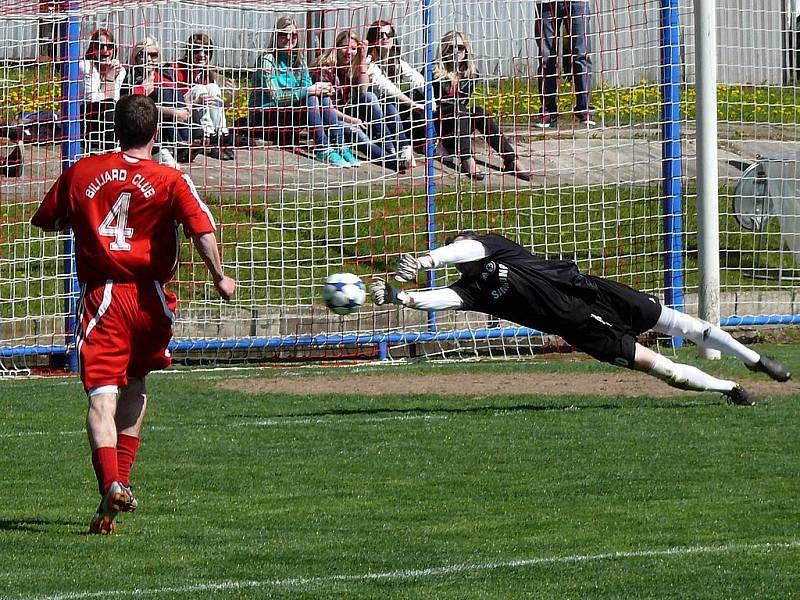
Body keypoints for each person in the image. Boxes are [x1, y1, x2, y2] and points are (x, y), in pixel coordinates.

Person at [30, 94, 236, 534]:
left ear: (114, 129)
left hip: (105, 298)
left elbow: (45, 219)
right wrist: (220, 277)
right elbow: (201, 229)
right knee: (137, 384)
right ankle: (120, 483)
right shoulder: (171, 178)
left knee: (101, 396)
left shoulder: (82, 171)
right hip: (153, 302)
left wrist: (82, 219)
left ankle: (110, 483)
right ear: (156, 133)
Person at [370, 232, 791, 405]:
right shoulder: (472, 291)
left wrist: (426, 259)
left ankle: (754, 360)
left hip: (590, 290)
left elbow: (466, 250)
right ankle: (731, 388)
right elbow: (438, 300)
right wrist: (399, 296)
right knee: (660, 368)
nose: (464, 246)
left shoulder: (490, 248)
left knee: (678, 323)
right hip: (580, 328)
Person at [248, 15, 353, 167]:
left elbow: (309, 87)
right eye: (284, 34)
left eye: (293, 35)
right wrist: (309, 90)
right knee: (310, 95)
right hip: (264, 117)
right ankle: (323, 148)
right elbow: (276, 97)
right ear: (276, 36)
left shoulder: (299, 60)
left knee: (319, 96)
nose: (289, 39)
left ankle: (339, 145)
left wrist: (324, 89)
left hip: (288, 116)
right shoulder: (267, 59)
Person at [431, 31, 530, 182]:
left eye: (460, 47)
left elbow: (462, 101)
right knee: (459, 109)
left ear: (466, 50)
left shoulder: (472, 74)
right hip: (437, 123)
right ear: (444, 50)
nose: (456, 51)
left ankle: (510, 159)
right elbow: (436, 103)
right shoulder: (434, 71)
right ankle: (467, 159)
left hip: (458, 121)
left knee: (479, 111)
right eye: (451, 48)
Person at [311, 30, 405, 169]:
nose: (349, 52)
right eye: (345, 47)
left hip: (349, 113)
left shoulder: (351, 67)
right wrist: (352, 120)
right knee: (360, 135)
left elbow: (363, 90)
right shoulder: (326, 69)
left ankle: (391, 147)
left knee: (370, 97)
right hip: (332, 119)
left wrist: (361, 61)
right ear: (336, 47)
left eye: (354, 49)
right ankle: (394, 162)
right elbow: (326, 107)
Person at [123, 37, 192, 167]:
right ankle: (180, 145)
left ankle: (185, 142)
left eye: (153, 55)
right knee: (165, 93)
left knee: (168, 91)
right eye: (143, 55)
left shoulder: (164, 75)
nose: (149, 59)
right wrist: (172, 112)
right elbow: (133, 108)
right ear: (135, 58)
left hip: (166, 124)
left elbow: (181, 98)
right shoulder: (129, 77)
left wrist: (186, 107)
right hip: (142, 123)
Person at [365, 19, 425, 164]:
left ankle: (432, 144)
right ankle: (404, 146)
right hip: (368, 112)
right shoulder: (368, 61)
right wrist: (412, 104)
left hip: (390, 113)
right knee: (389, 98)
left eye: (389, 33)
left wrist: (431, 101)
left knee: (418, 98)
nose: (385, 38)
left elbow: (417, 79)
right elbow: (386, 87)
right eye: (380, 35)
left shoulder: (396, 62)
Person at [170, 32, 235, 161]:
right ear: (189, 53)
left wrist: (230, 96)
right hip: (182, 118)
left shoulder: (206, 73)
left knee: (213, 87)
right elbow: (174, 103)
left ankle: (221, 135)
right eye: (196, 51)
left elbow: (219, 109)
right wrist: (195, 102)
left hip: (199, 117)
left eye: (206, 51)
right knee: (200, 88)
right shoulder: (176, 68)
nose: (202, 55)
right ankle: (208, 137)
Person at [535, 1, 594, 128]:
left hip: (577, 3)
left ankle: (584, 109)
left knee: (581, 55)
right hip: (546, 3)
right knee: (546, 57)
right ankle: (548, 111)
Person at [80, 28, 126, 151]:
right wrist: (109, 77)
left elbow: (115, 98)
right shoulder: (86, 66)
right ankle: (110, 150)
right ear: (93, 49)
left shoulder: (120, 70)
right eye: (100, 46)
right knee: (109, 105)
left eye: (109, 46)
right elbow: (92, 99)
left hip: (109, 117)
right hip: (87, 115)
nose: (105, 51)